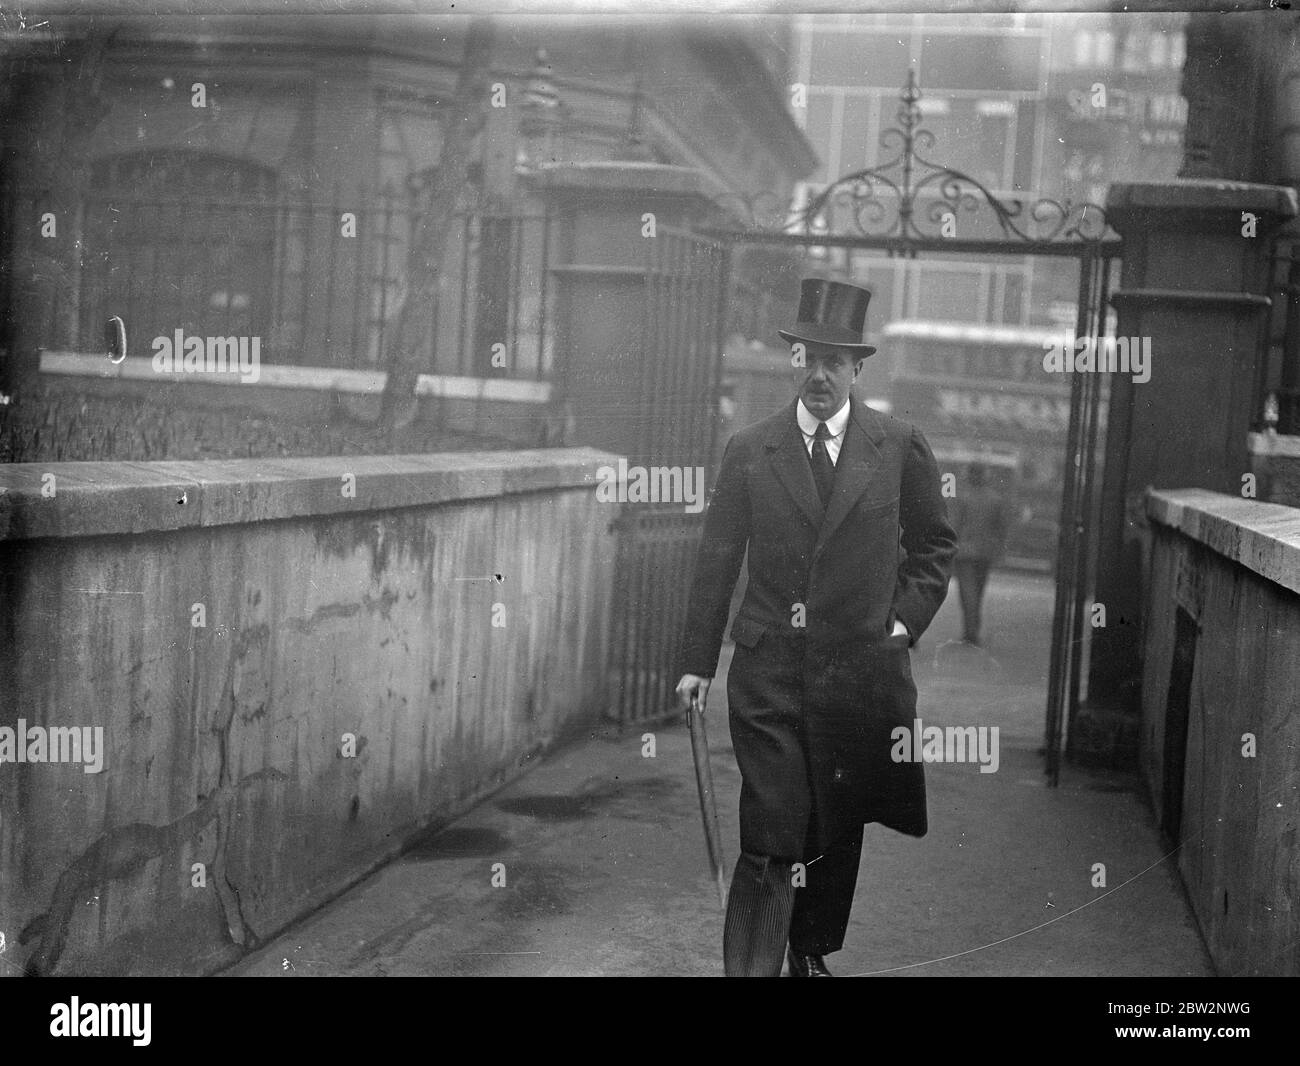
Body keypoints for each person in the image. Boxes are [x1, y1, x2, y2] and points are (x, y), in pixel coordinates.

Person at [675, 278, 956, 978]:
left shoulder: (898, 446)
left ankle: (809, 950)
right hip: (769, 675)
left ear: (858, 369)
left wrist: (900, 624)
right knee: (772, 831)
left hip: (857, 677)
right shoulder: (751, 450)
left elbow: (934, 547)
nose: (820, 374)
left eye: (836, 361)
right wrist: (696, 662)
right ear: (793, 360)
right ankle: (751, 970)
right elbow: (716, 561)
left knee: (834, 825)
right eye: (809, 357)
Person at [948, 463, 1011, 646]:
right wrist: (999, 549)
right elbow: (1001, 528)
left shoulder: (963, 498)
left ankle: (970, 631)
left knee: (967, 592)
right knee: (979, 590)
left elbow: (955, 525)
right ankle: (973, 628)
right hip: (985, 552)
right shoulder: (995, 499)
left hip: (965, 551)